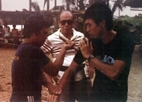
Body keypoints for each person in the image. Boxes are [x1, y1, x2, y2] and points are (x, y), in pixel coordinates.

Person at [58, 3, 135, 102]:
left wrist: (90, 57)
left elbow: (114, 73)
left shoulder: (124, 41)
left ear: (102, 23)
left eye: (89, 25)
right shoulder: (91, 42)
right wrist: (56, 92)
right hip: (96, 96)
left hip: (116, 97)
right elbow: (70, 70)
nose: (87, 30)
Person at [10, 13, 62, 102]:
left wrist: (49, 84)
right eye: (44, 33)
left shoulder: (23, 47)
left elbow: (36, 71)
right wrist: (64, 49)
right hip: (28, 98)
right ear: (34, 33)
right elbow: (54, 71)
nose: (46, 37)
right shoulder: (33, 50)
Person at [41, 11, 89, 102]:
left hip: (79, 73)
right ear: (59, 23)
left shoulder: (80, 36)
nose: (66, 25)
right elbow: (42, 55)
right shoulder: (51, 39)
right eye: (63, 22)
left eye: (69, 22)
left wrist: (91, 67)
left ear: (74, 23)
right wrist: (50, 72)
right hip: (61, 74)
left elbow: (85, 53)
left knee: (83, 99)